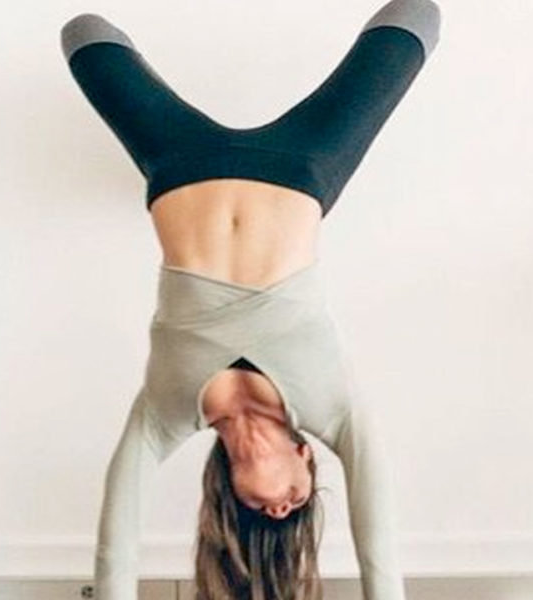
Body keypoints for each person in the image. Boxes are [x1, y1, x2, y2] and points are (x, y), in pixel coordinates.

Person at [60, 1, 440, 598]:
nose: (282, 506)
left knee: (82, 35)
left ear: (227, 494)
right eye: (299, 504)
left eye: (262, 513)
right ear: (306, 457)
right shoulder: (336, 411)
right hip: (304, 165)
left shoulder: (163, 416)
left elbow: (118, 541)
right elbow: (379, 537)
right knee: (417, 14)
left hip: (179, 163)